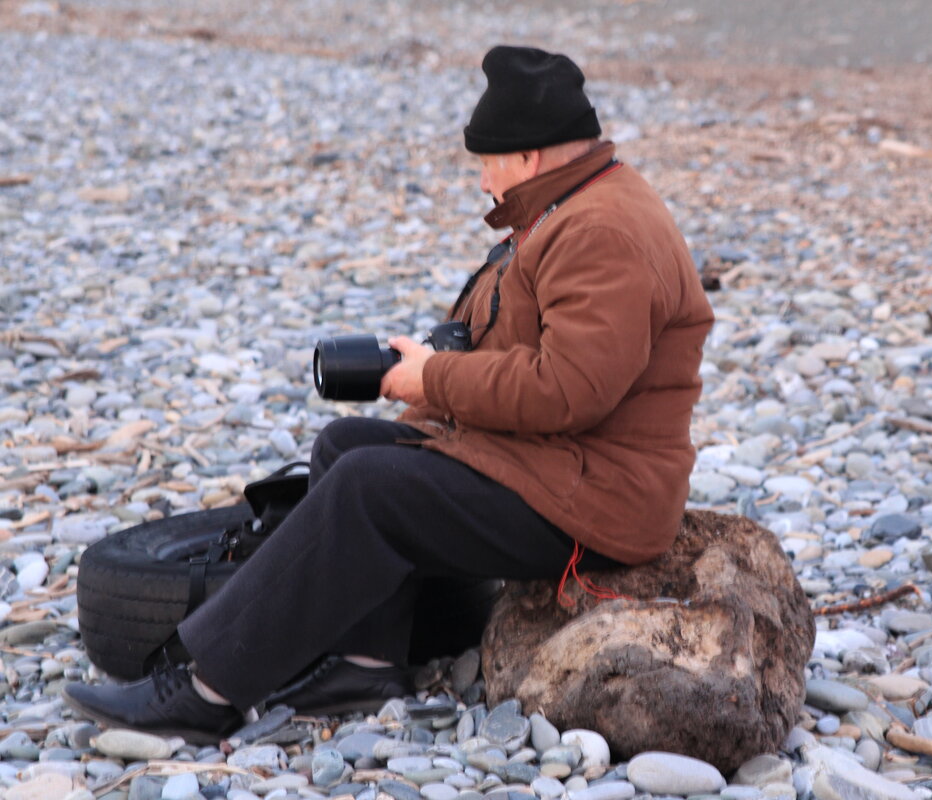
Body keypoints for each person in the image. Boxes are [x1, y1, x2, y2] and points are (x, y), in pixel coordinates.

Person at [63, 45, 714, 742]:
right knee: (350, 445)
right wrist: (429, 370)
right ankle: (364, 663)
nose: (482, 178)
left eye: (487, 161)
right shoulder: (571, 207)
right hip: (563, 467)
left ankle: (205, 691)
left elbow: (569, 390)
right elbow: (540, 358)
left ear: (528, 157)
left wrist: (433, 379)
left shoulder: (600, 229)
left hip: (599, 502)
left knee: (372, 486)